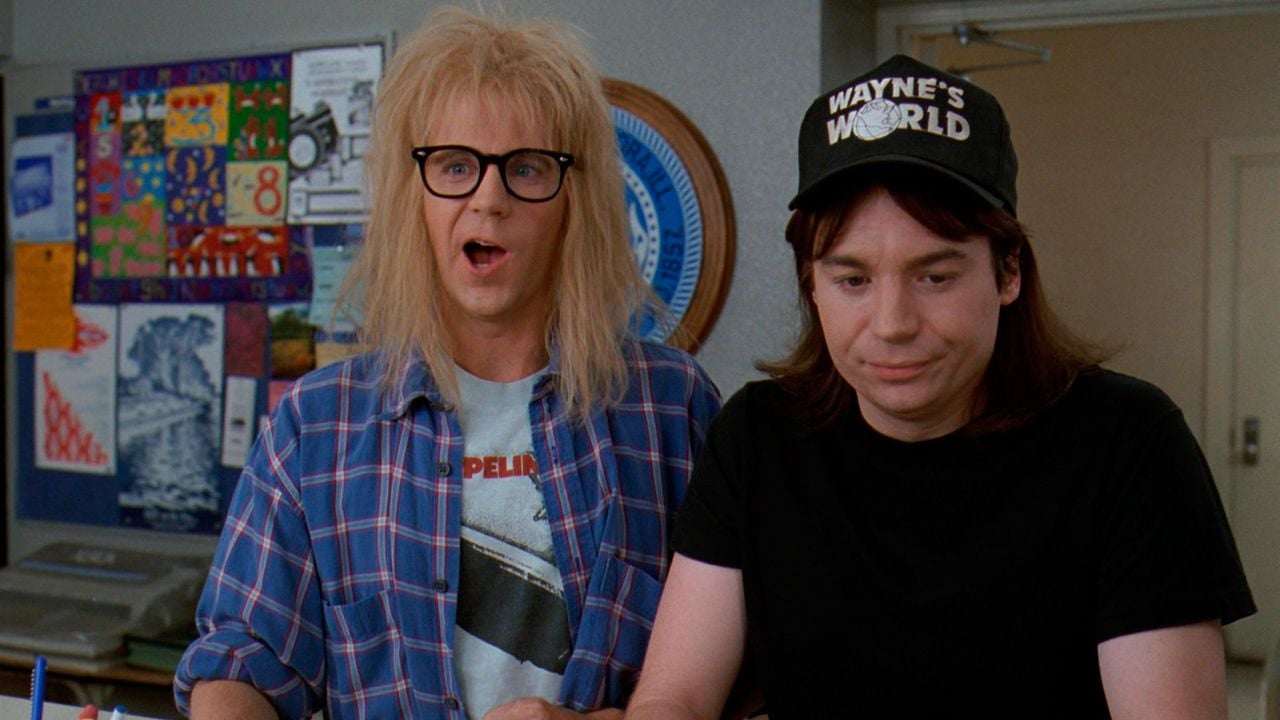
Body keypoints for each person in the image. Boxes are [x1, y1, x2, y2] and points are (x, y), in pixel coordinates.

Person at [623, 54, 1255, 719]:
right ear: (811, 282)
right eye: (852, 280)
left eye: (935, 277)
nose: (892, 324)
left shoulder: (1127, 442)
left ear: (1008, 272)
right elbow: (675, 696)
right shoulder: (756, 437)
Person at [175, 7, 720, 719]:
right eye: (455, 166)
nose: (488, 200)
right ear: (414, 197)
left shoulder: (671, 409)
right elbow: (240, 661)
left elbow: (754, 671)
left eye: (527, 168)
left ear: (574, 201)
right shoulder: (316, 426)